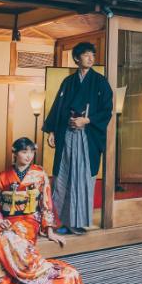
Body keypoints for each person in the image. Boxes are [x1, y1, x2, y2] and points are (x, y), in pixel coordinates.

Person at [0, 137, 84, 284]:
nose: (29, 156)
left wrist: (49, 230)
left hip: (30, 219)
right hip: (8, 219)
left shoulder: (39, 174)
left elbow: (46, 203)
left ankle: (33, 273)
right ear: (14, 153)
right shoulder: (2, 176)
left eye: (31, 152)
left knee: (8, 237)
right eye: (24, 151)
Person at [43, 41, 113, 234]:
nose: (90, 58)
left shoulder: (100, 82)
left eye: (92, 54)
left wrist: (87, 120)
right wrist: (52, 131)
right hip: (67, 134)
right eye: (86, 55)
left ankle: (79, 222)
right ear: (76, 59)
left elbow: (107, 110)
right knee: (63, 176)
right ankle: (60, 221)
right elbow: (58, 107)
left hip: (86, 135)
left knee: (82, 178)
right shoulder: (68, 82)